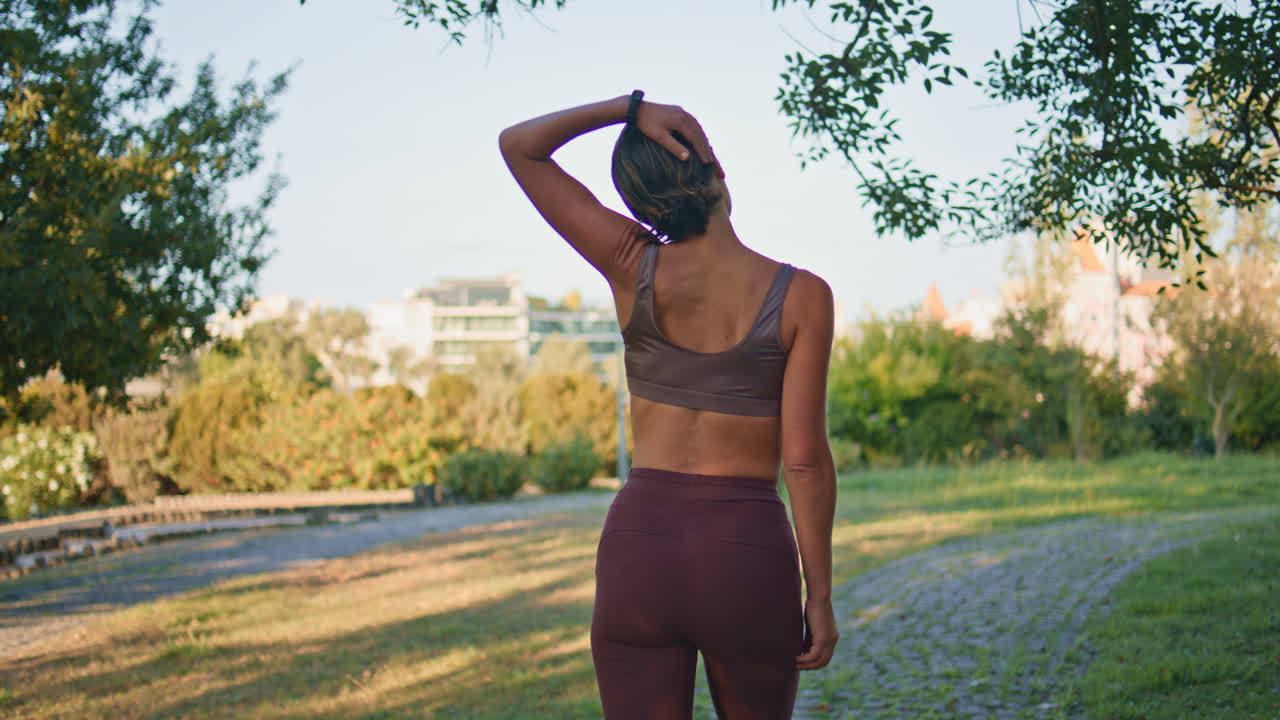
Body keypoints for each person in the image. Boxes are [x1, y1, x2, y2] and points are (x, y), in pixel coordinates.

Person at [499, 91, 838, 720]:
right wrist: (818, 595)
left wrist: (628, 110)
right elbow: (806, 463)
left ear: (638, 202)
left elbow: (520, 146)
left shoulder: (631, 264)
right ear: (717, 169)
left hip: (639, 550)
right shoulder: (803, 297)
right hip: (745, 554)